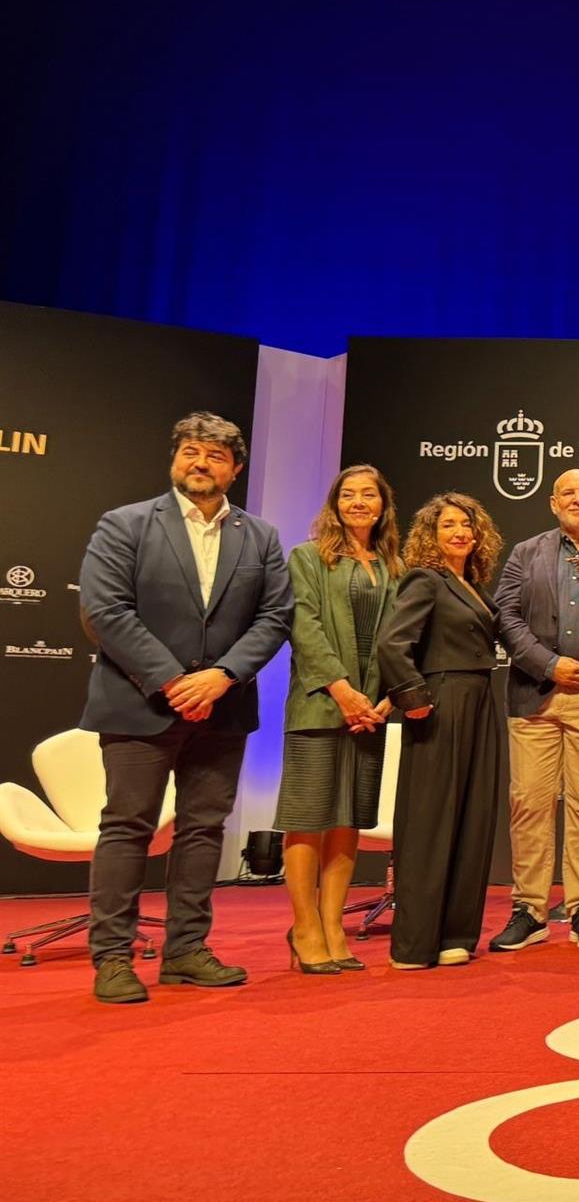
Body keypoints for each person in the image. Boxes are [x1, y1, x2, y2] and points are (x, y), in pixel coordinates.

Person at [78, 412, 292, 1004]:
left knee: (203, 831)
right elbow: (106, 612)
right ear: (175, 458)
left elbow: (275, 617)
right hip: (138, 703)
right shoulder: (124, 525)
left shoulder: (262, 537)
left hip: (222, 708)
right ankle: (113, 958)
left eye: (216, 456)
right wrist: (175, 681)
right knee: (127, 829)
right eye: (191, 452)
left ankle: (186, 951)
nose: (201, 463)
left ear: (236, 469)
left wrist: (221, 677)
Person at [490, 469, 579, 952]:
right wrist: (549, 664)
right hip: (535, 694)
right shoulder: (525, 553)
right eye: (568, 492)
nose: (577, 499)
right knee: (527, 802)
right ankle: (528, 909)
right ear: (553, 503)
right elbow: (505, 616)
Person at [276, 464, 401, 974]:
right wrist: (342, 690)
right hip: (320, 706)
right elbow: (302, 625)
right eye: (347, 494)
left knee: (348, 819)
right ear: (334, 503)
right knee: (308, 821)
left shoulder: (395, 565)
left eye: (368, 494)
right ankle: (304, 927)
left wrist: (386, 698)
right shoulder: (307, 558)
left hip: (371, 712)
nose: (358, 502)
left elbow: (400, 639)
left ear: (382, 504)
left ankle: (333, 926)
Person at [376, 492, 507, 970]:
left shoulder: (471, 584)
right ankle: (414, 944)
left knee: (472, 819)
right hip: (441, 702)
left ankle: (455, 935)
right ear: (430, 534)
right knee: (430, 822)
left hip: (479, 700)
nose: (460, 532)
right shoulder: (425, 580)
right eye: (448, 525)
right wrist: (413, 699)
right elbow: (393, 644)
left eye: (467, 525)